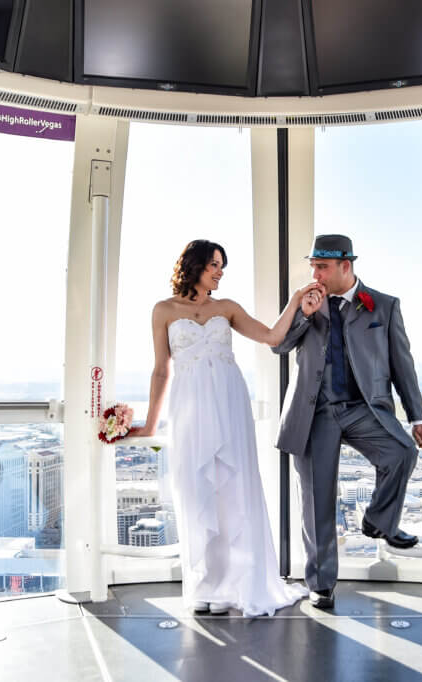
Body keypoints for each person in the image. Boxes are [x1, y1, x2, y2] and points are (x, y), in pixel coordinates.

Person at [129, 239, 321, 617]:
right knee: (195, 489)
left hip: (229, 403)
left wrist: (297, 301)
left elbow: (272, 337)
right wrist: (150, 423)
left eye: (222, 267)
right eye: (215, 264)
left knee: (232, 490)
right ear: (195, 265)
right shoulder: (163, 310)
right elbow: (160, 369)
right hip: (188, 406)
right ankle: (204, 585)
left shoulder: (227, 308)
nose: (220, 272)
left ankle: (236, 585)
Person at [272, 234, 422, 609]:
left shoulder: (383, 305)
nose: (314, 273)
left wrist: (418, 418)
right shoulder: (307, 303)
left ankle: (379, 522)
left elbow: (402, 366)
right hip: (315, 411)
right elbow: (278, 346)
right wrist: (303, 313)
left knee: (401, 453)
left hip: (365, 408)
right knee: (317, 501)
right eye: (313, 265)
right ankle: (321, 584)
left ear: (346, 266)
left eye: (322, 266)